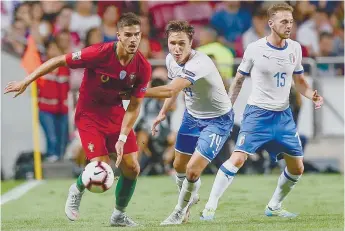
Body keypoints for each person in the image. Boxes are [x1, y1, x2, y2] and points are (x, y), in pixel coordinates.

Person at [4, 13, 151, 227]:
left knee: (132, 167)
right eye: (128, 35)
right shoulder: (99, 53)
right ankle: (77, 189)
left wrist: (121, 137)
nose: (133, 39)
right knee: (101, 168)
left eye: (137, 35)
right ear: (118, 35)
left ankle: (119, 215)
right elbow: (57, 61)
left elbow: (135, 105)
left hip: (116, 113)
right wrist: (26, 81)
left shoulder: (143, 66)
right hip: (89, 114)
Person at [200, 3, 324, 220]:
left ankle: (274, 205)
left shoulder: (294, 48)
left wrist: (312, 94)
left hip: (284, 116)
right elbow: (238, 79)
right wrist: (227, 107)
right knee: (238, 159)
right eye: (284, 21)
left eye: (291, 22)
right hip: (257, 114)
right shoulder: (255, 49)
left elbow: (300, 81)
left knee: (297, 168)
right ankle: (210, 206)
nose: (289, 26)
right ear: (271, 23)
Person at [144, 20, 235, 225]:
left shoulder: (199, 63)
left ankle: (179, 211)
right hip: (192, 117)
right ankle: (189, 195)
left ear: (191, 42)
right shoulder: (170, 60)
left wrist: (137, 92)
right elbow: (173, 92)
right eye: (172, 43)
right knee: (179, 166)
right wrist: (162, 112)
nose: (176, 48)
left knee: (193, 170)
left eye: (181, 43)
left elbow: (170, 89)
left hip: (217, 120)